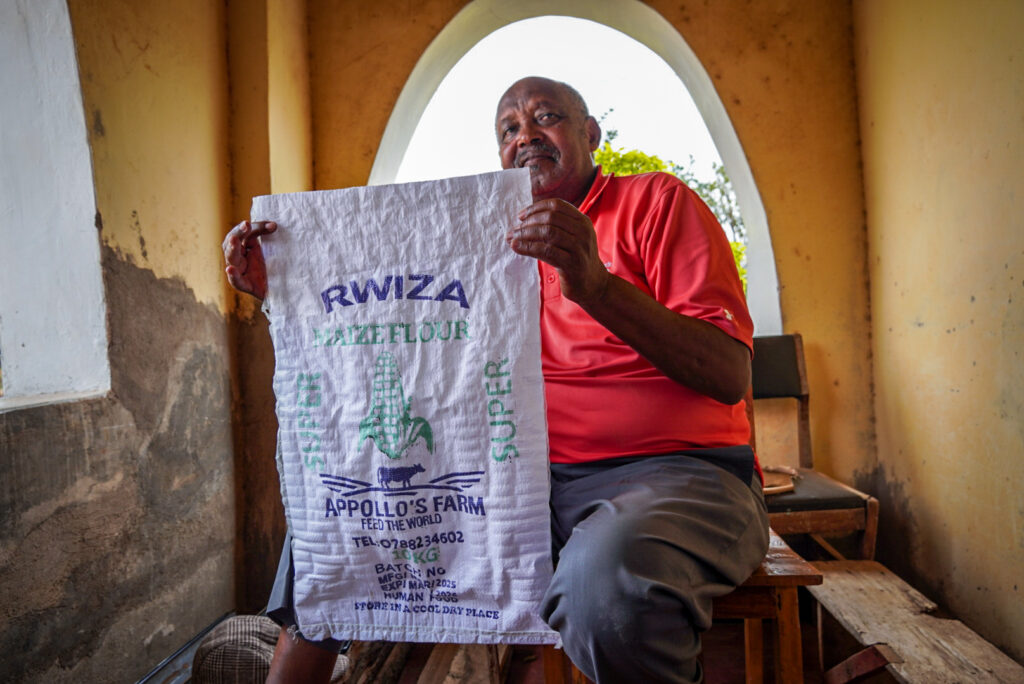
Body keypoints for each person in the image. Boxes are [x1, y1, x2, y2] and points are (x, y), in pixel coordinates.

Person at [223, 76, 768, 684]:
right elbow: (383, 321)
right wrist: (288, 287)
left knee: (605, 584)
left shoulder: (656, 203)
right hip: (516, 479)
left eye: (546, 117)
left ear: (590, 135)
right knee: (341, 516)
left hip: (673, 473)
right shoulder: (485, 239)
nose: (527, 135)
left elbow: (727, 373)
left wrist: (597, 286)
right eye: (509, 128)